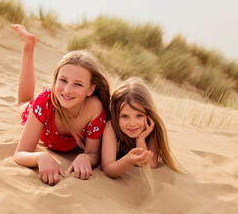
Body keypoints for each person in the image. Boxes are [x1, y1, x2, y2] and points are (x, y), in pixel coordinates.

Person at [11, 24, 110, 185]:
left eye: (78, 84)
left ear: (91, 89)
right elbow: (20, 153)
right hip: (44, 104)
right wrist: (40, 157)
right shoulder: (44, 103)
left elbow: (93, 153)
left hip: (56, 99)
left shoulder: (94, 108)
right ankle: (28, 47)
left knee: (59, 95)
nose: (68, 89)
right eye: (63, 80)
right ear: (55, 79)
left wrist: (85, 157)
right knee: (23, 102)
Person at [101, 77, 182, 178]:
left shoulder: (151, 129)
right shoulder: (111, 127)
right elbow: (108, 168)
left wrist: (141, 139)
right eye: (124, 116)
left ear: (148, 115)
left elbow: (151, 165)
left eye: (139, 115)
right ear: (115, 116)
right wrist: (128, 161)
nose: (132, 124)